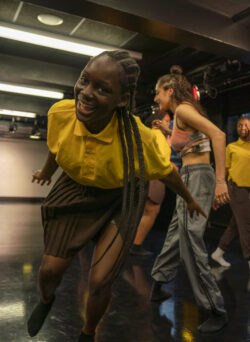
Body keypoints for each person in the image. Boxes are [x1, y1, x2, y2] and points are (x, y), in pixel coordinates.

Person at [27, 51, 206, 342]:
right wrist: (47, 171)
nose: (86, 93)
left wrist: (189, 199)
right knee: (49, 271)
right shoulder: (61, 113)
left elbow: (167, 172)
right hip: (74, 189)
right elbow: (57, 146)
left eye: (102, 89)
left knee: (99, 281)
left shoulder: (140, 138)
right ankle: (46, 300)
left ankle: (88, 333)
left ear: (122, 99)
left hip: (121, 199)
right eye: (85, 81)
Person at [150, 65, 230, 334]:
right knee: (176, 233)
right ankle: (158, 284)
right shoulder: (180, 113)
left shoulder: (184, 109)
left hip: (197, 176)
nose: (155, 99)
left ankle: (215, 309)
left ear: (169, 90)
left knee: (190, 241)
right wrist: (165, 128)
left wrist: (220, 182)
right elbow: (187, 143)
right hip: (190, 175)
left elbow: (218, 135)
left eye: (157, 93)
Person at [130, 111, 175, 256]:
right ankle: (135, 246)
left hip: (147, 176)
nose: (169, 124)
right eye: (167, 121)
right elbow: (160, 159)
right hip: (155, 177)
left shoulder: (153, 135)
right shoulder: (158, 136)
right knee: (152, 211)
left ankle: (131, 244)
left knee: (143, 211)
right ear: (157, 122)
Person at [211, 117, 250, 269]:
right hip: (236, 189)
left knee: (236, 224)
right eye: (239, 125)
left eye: (246, 125)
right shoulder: (232, 147)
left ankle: (218, 252)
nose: (242, 127)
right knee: (246, 225)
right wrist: (218, 191)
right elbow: (224, 170)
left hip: (248, 190)